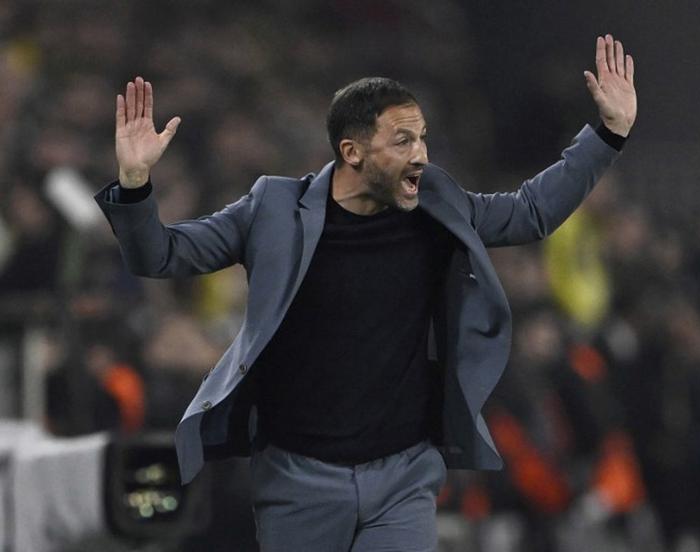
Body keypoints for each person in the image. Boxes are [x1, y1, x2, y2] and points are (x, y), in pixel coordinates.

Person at [95, 34, 636, 552]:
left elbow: (530, 212)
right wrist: (136, 186)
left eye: (422, 136)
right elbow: (160, 255)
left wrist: (607, 135)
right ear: (352, 152)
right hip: (297, 478)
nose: (421, 153)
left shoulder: (436, 203)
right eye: (402, 141)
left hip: (403, 477)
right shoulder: (273, 211)